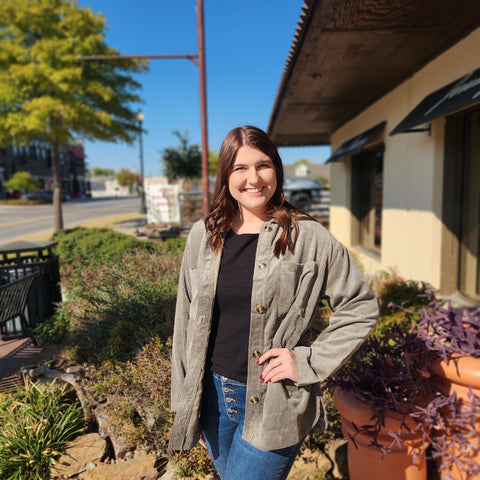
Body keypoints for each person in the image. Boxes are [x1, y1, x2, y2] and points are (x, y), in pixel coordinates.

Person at [169, 126, 379, 479]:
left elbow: (360, 306)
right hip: (213, 398)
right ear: (226, 176)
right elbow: (185, 318)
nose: (253, 178)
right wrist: (186, 404)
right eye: (240, 168)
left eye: (263, 165)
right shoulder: (203, 235)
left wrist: (308, 360)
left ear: (277, 171)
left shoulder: (307, 236)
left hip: (275, 400)